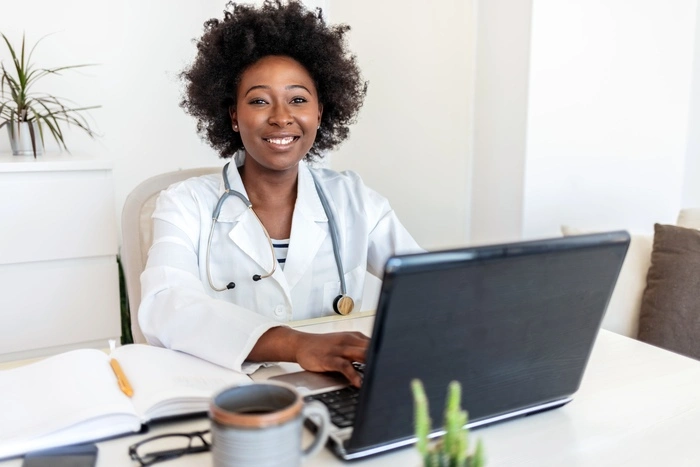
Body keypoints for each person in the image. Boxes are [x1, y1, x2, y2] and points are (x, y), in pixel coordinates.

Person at [138, 0, 422, 387]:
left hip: (333, 388)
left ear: (320, 113)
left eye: (298, 99)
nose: (281, 117)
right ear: (233, 116)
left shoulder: (355, 200)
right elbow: (165, 307)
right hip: (229, 393)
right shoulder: (184, 204)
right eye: (258, 100)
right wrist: (297, 344)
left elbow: (426, 283)